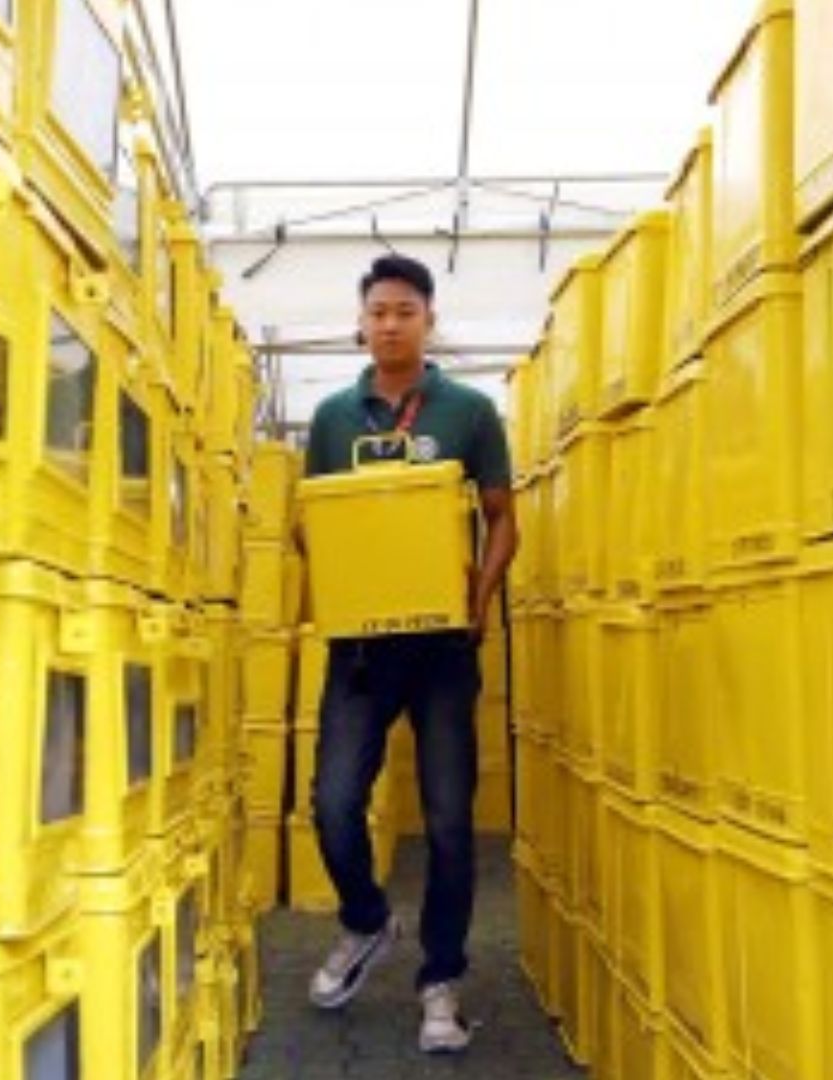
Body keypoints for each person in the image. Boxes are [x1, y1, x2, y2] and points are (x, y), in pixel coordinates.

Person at [299, 254, 519, 1053]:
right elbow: (309, 525)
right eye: (378, 312)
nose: (390, 324)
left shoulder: (469, 412)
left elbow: (503, 516)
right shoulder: (332, 418)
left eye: (405, 311)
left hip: (441, 648)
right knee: (332, 802)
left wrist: (479, 599)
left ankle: (441, 982)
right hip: (361, 648)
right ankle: (366, 922)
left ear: (429, 321)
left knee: (450, 821)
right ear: (360, 324)